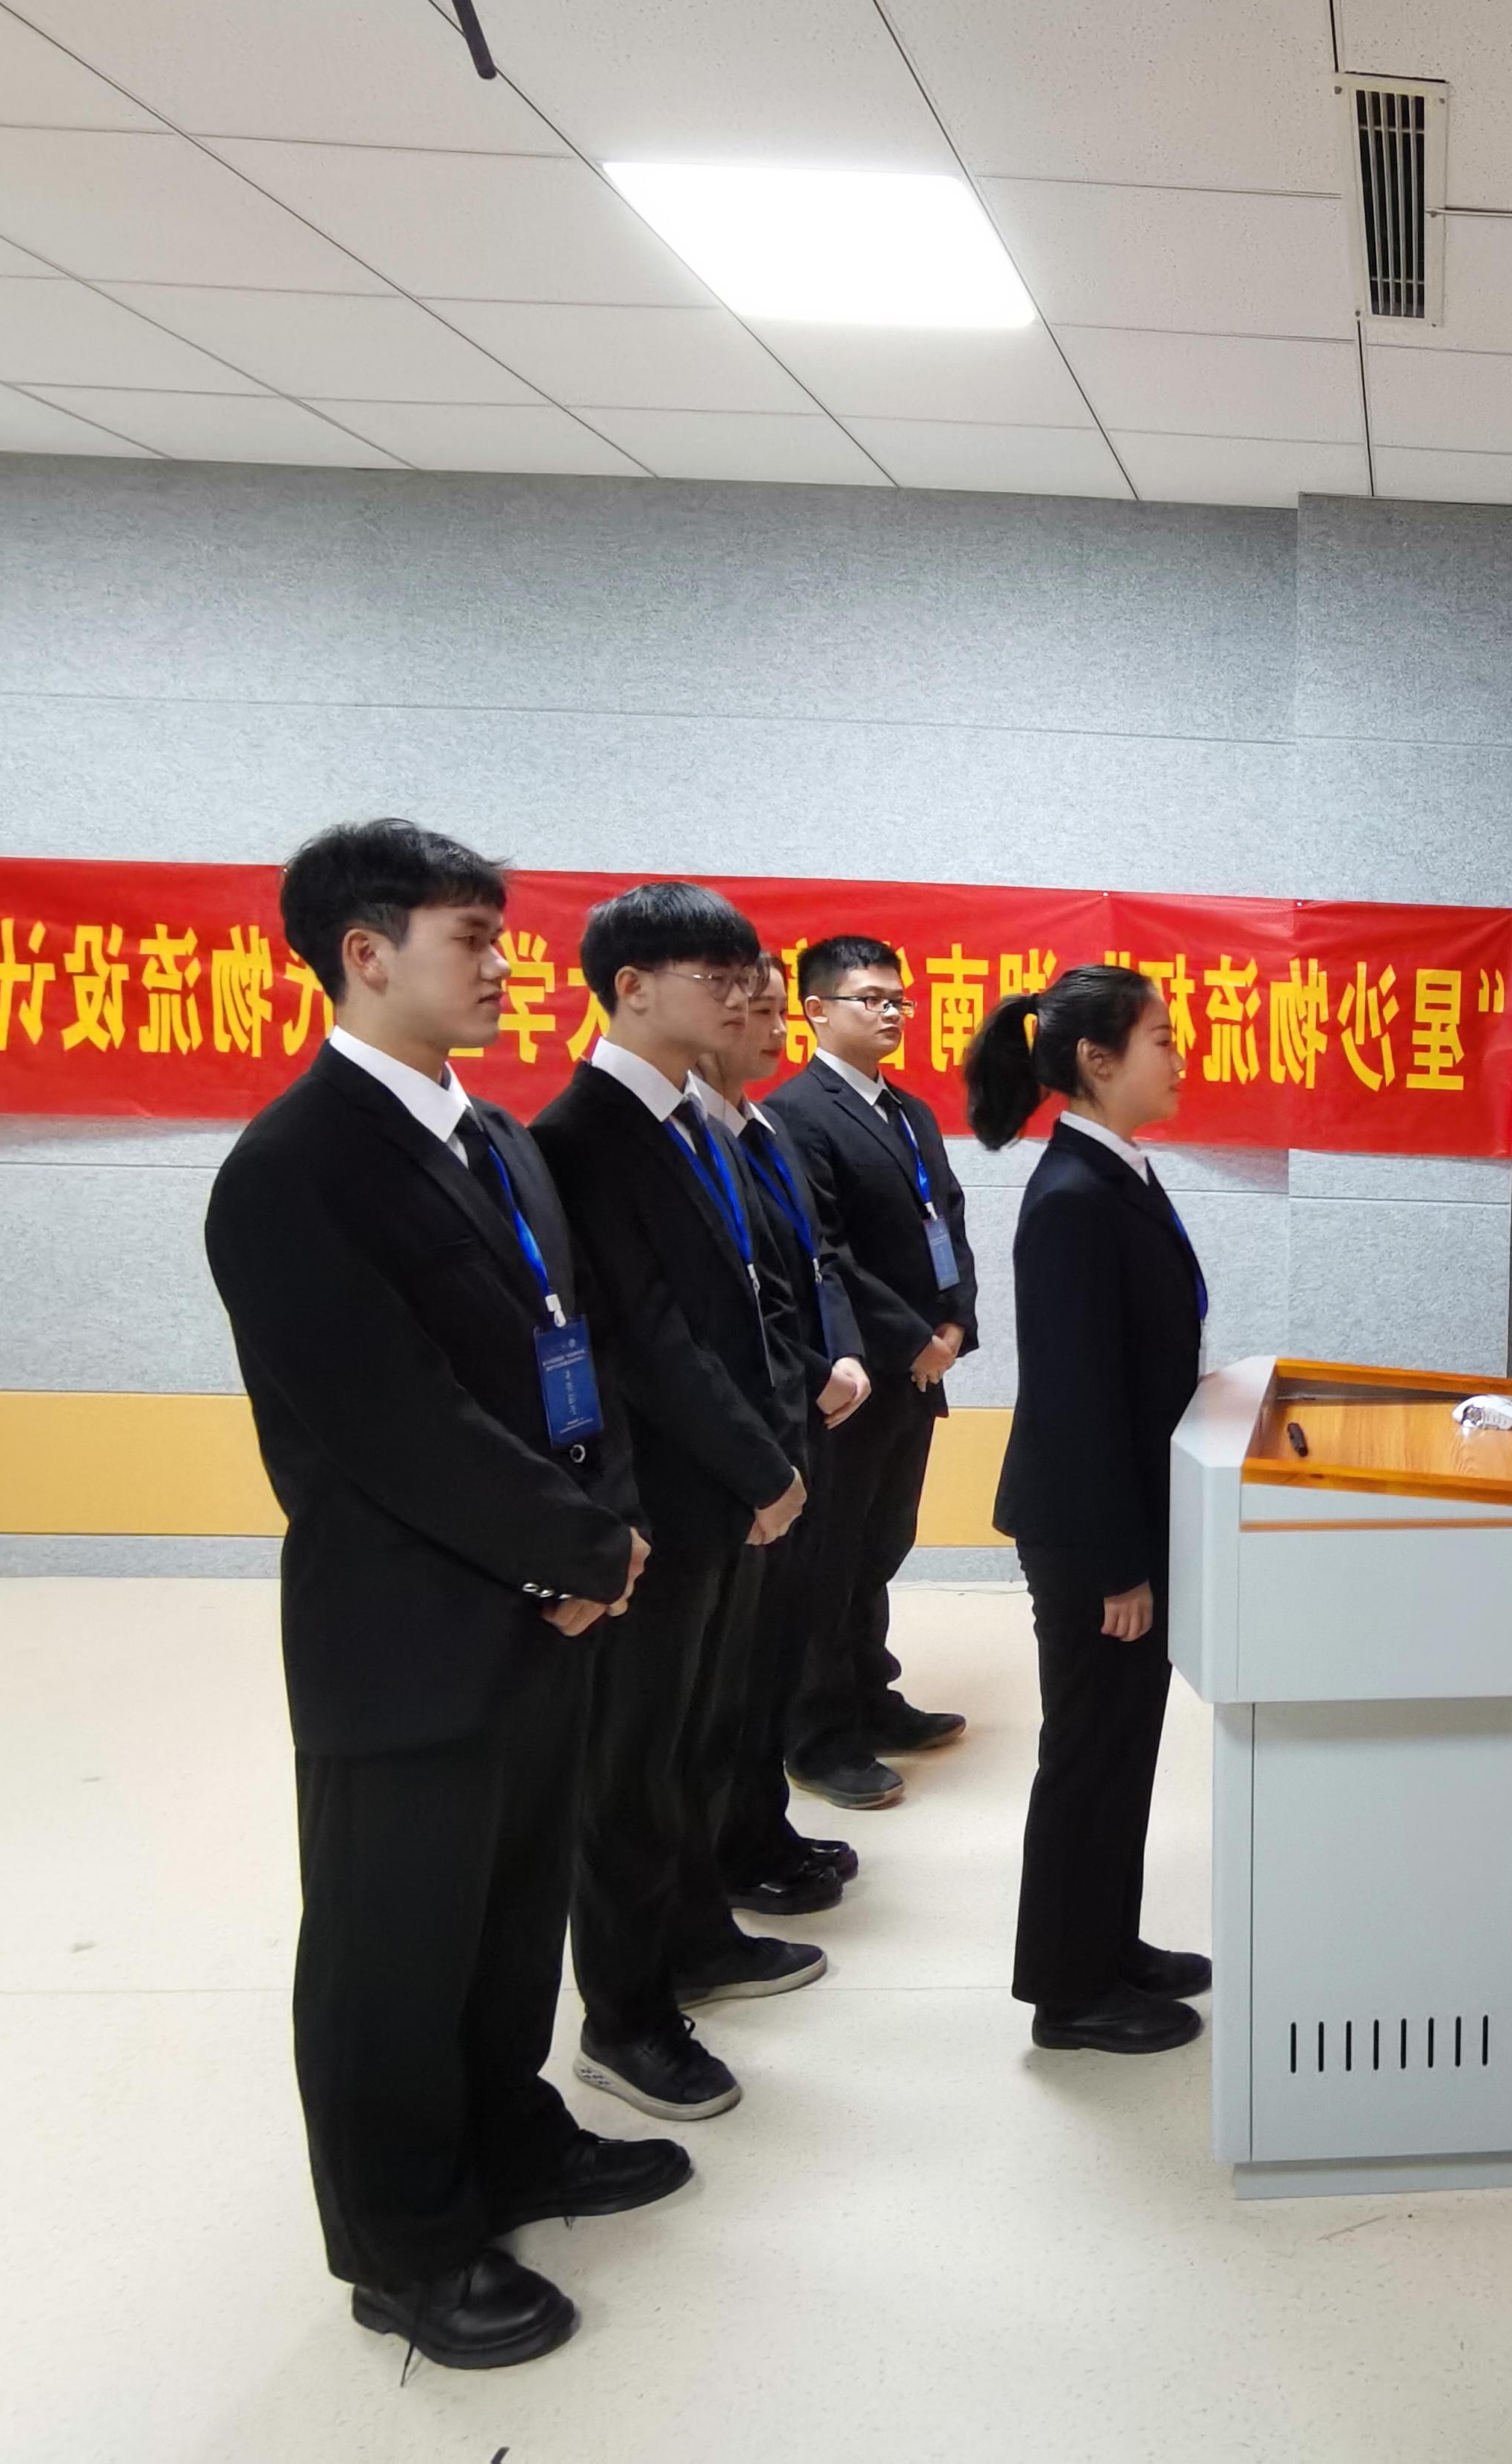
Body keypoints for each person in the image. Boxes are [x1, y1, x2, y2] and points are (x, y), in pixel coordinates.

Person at [205, 819, 678, 2373]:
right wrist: (583, 1551)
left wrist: (607, 1529)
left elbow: (574, 1357)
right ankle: (402, 2246)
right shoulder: (293, 1171)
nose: (502, 966)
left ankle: (510, 2141)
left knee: (507, 1916)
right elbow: (397, 1425)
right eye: (471, 938)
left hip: (542, 1614)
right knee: (390, 1951)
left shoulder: (497, 1140)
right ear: (365, 953)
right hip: (407, 1634)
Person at [532, 884, 818, 2122]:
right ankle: (625, 2017)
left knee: (696, 1740)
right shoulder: (584, 1132)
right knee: (631, 1770)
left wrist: (769, 1454)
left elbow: (743, 1304)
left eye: (743, 971)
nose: (741, 994)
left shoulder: (692, 1122)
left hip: (722, 1494)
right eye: (714, 973)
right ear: (631, 987)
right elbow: (648, 1341)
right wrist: (763, 1468)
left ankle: (696, 1937)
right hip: (658, 1505)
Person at [963, 964, 1212, 2054]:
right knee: (1088, 1752)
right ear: (1097, 1061)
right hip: (1089, 1532)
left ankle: (1107, 1945)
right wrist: (1119, 1566)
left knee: (1122, 1746)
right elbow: (1073, 1399)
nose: (1180, 1057)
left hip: (1124, 1513)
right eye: (1161, 1039)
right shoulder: (1072, 1198)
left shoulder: (1117, 1173)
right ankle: (1068, 1994)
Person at [763, 935, 977, 1811]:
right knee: (830, 1554)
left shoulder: (909, 1111)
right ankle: (817, 1734)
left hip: (921, 1368)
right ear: (815, 1010)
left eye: (899, 999)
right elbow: (826, 1252)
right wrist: (909, 1337)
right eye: (870, 998)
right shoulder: (795, 1112)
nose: (890, 1012)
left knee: (881, 1543)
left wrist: (956, 1322)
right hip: (855, 1375)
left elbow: (948, 1218)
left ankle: (869, 1694)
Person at [694, 955, 872, 1918]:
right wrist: (810, 1374)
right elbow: (734, 1311)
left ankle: (764, 1825)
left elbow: (817, 1266)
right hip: (753, 1433)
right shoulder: (696, 1142)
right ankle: (734, 1845)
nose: (770, 1031)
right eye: (752, 1013)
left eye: (774, 1013)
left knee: (775, 1650)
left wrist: (842, 1353)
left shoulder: (762, 1129)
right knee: (732, 1671)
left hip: (807, 1419)